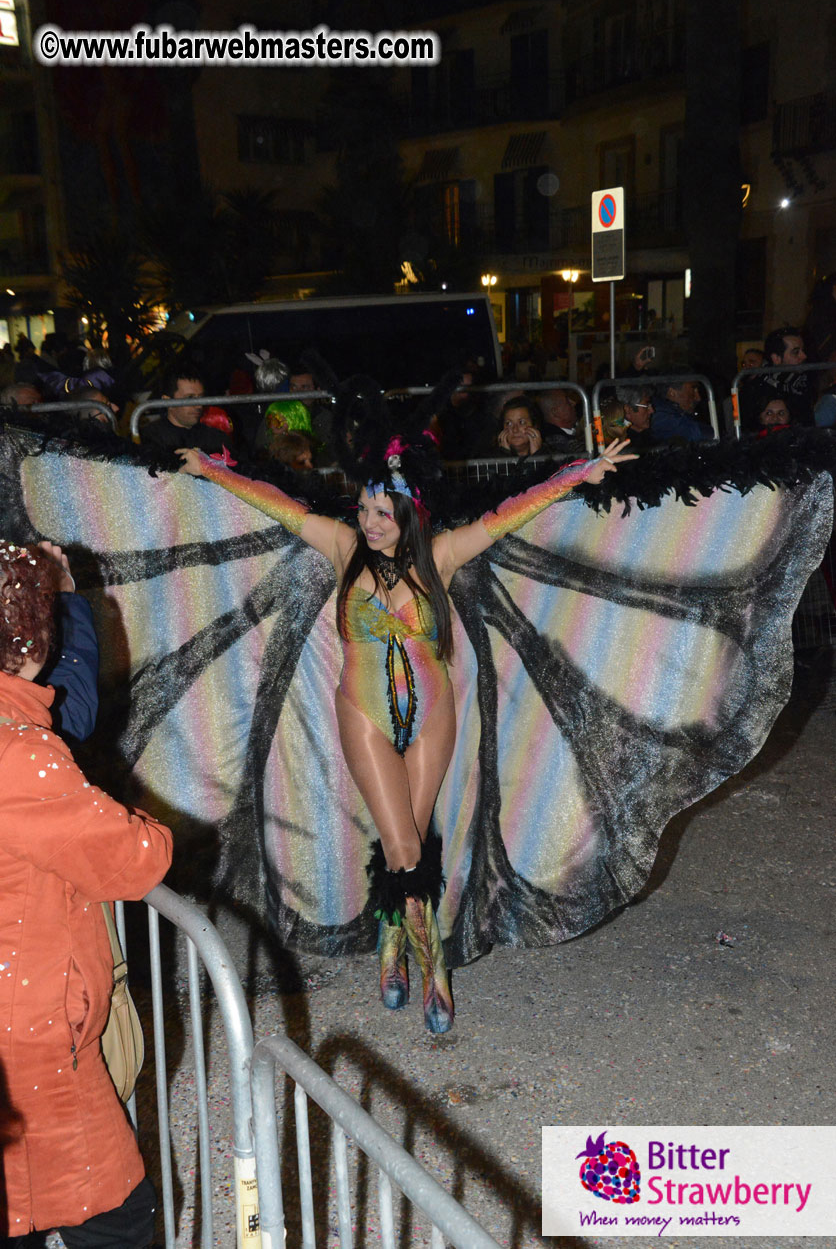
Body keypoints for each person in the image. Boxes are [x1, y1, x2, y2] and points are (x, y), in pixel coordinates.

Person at [177, 434, 635, 1033]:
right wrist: (213, 470)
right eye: (364, 510)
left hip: (433, 717)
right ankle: (434, 971)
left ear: (410, 514)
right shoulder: (343, 548)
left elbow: (505, 516)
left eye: (383, 513)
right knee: (403, 848)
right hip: (363, 715)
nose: (369, 523)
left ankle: (391, 945)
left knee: (410, 842)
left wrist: (579, 475)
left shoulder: (440, 555)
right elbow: (282, 507)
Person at [0, 541, 173, 1247]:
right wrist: (149, 824)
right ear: (33, 641)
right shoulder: (20, 756)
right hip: (31, 1045)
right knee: (120, 1218)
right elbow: (134, 859)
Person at [140, 367, 230, 454]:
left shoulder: (216, 439)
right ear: (167, 401)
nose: (199, 405)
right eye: (189, 398)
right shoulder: (149, 438)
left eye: (201, 398)